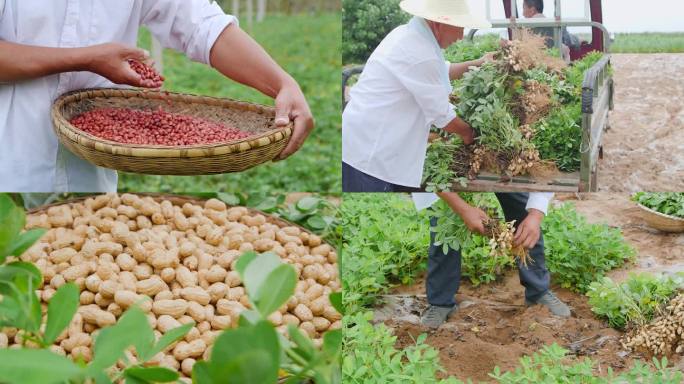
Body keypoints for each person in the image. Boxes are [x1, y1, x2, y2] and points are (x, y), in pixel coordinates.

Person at [0, 0, 314, 192]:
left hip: (90, 174)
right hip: (12, 161)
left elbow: (201, 25)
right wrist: (86, 58)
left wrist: (282, 83)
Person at [342, 0, 494, 192]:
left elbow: (440, 71)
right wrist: (470, 134)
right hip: (370, 155)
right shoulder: (420, 51)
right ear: (439, 23)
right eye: (459, 27)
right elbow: (443, 116)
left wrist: (480, 62)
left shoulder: (409, 35)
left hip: (364, 141)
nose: (461, 35)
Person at [413, 192, 571, 329]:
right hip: (450, 171)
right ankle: (440, 302)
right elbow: (435, 179)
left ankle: (538, 291)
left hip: (505, 166)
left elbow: (541, 178)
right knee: (445, 220)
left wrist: (536, 215)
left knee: (522, 207)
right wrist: (463, 209)